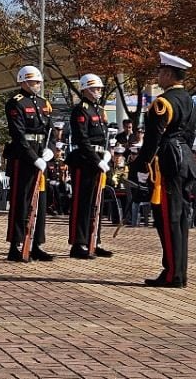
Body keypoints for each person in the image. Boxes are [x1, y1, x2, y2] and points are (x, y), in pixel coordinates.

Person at [133, 51, 196, 287]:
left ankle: (172, 275)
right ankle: (178, 272)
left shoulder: (163, 103)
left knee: (168, 219)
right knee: (180, 219)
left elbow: (152, 140)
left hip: (167, 163)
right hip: (185, 160)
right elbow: (189, 136)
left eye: (161, 72)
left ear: (169, 74)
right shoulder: (190, 101)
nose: (158, 76)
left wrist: (141, 166)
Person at [3, 65, 55, 262]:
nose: (37, 84)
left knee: (40, 201)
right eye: (34, 81)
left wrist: (50, 149)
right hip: (23, 157)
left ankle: (36, 244)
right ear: (23, 82)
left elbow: (50, 131)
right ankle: (16, 244)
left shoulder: (43, 103)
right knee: (21, 202)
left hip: (41, 153)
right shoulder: (15, 103)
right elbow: (18, 135)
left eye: (39, 81)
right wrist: (34, 158)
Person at [66, 73, 114, 259]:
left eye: (99, 88)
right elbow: (82, 139)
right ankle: (78, 243)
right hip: (85, 160)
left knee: (96, 202)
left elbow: (103, 136)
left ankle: (94, 240)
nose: (98, 91)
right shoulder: (81, 110)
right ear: (85, 89)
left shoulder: (99, 110)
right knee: (83, 203)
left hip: (99, 159)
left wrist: (107, 154)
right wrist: (97, 159)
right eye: (95, 88)